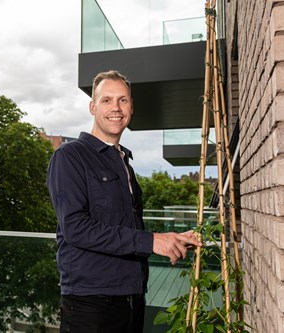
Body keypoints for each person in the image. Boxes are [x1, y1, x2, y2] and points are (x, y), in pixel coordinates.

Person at [46, 70, 202, 333]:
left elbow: (124, 228)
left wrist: (172, 238)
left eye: (123, 100)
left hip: (133, 298)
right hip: (91, 305)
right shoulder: (69, 156)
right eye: (107, 100)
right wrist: (152, 241)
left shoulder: (124, 164)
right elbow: (75, 228)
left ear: (131, 107)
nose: (115, 108)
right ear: (93, 107)